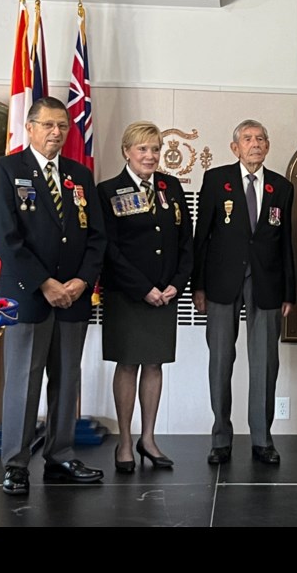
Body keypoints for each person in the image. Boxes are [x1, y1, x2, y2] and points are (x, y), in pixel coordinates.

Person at [0, 96, 106, 495]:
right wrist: (45, 283)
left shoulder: (79, 174)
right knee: (23, 380)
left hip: (73, 297)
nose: (57, 133)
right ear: (31, 127)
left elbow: (97, 237)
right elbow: (6, 238)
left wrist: (80, 282)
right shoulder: (7, 170)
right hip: (28, 296)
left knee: (67, 379)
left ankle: (60, 455)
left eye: (63, 126)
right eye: (49, 125)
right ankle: (16, 463)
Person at [191, 119, 295, 465]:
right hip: (221, 283)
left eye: (261, 139)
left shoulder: (280, 186)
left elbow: (286, 245)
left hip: (266, 285)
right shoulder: (215, 180)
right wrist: (199, 286)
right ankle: (220, 437)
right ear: (235, 147)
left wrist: (289, 293)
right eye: (248, 139)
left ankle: (263, 439)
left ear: (268, 146)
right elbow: (201, 237)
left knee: (265, 363)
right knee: (221, 360)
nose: (255, 144)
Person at [97, 121, 192, 472]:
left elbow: (186, 241)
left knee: (154, 363)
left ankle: (148, 438)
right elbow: (109, 248)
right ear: (127, 151)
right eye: (143, 149)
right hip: (128, 295)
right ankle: (124, 441)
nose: (150, 156)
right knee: (128, 364)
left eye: (154, 149)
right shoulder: (108, 190)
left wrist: (177, 283)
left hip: (165, 294)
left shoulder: (171, 187)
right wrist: (142, 288)